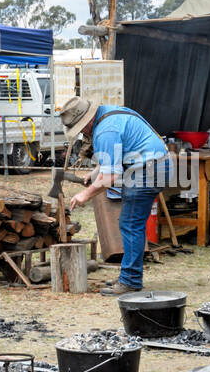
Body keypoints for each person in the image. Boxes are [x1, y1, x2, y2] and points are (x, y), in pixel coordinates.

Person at [62, 97, 169, 296]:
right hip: (153, 166)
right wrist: (93, 175)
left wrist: (86, 194)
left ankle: (130, 281)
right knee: (130, 223)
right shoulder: (108, 114)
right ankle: (128, 277)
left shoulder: (105, 131)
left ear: (87, 121)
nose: (82, 133)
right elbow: (111, 160)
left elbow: (111, 176)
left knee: (130, 224)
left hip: (148, 170)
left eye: (81, 129)